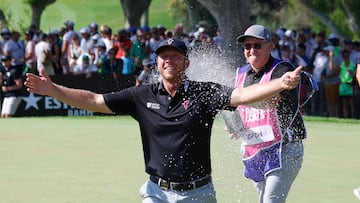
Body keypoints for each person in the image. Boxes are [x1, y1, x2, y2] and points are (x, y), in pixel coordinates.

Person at [24, 38, 301, 203]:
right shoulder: (141, 96)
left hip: (198, 194)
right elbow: (95, 101)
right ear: (157, 64)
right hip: (157, 192)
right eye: (163, 57)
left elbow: (242, 95)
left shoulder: (204, 93)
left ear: (186, 63)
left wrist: (280, 83)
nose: (169, 61)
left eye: (175, 56)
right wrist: (53, 89)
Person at [225, 24, 306, 203]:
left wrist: (242, 99)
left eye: (257, 45)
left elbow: (268, 103)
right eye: (247, 46)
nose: (252, 50)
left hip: (285, 148)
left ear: (271, 46)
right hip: (255, 150)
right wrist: (233, 124)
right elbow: (230, 105)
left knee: (271, 200)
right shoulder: (239, 73)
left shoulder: (282, 70)